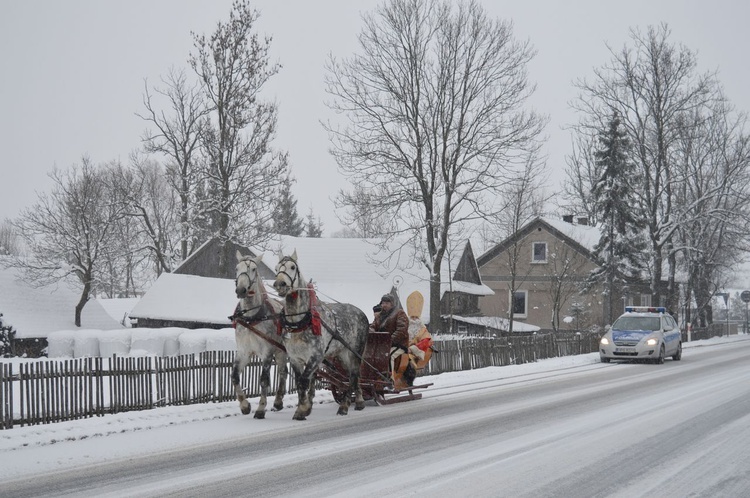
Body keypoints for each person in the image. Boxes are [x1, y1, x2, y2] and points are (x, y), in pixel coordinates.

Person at [370, 294, 410, 384]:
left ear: (392, 304)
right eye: (383, 303)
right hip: (382, 345)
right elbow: (373, 326)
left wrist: (389, 341)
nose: (384, 305)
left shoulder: (400, 313)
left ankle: (389, 380)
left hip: (399, 345)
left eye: (387, 303)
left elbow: (401, 330)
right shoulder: (379, 316)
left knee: (387, 356)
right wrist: (370, 331)